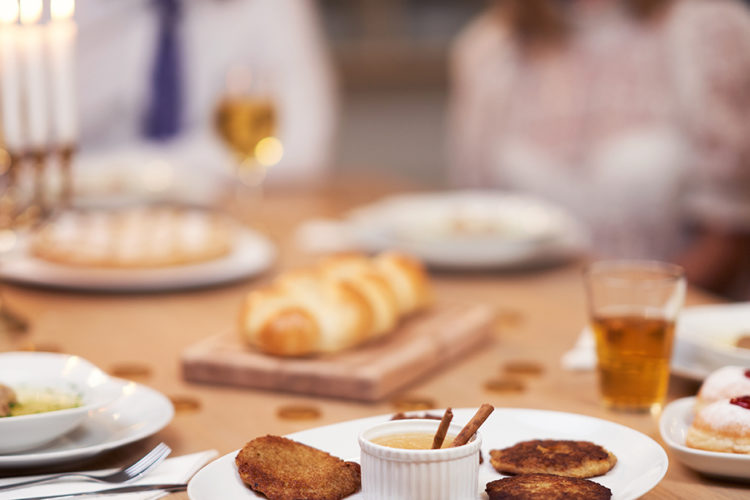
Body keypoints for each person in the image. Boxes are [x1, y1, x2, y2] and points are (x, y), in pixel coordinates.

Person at [449, 0, 750, 297]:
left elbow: (729, 238)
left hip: (662, 326)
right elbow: (477, 223)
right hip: (528, 322)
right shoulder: (490, 48)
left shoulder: (708, 30)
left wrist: (624, 311)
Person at [73, 0, 336, 193]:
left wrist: (144, 170)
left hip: (223, 213)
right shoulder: (60, 17)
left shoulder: (269, 9)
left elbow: (302, 146)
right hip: (81, 222)